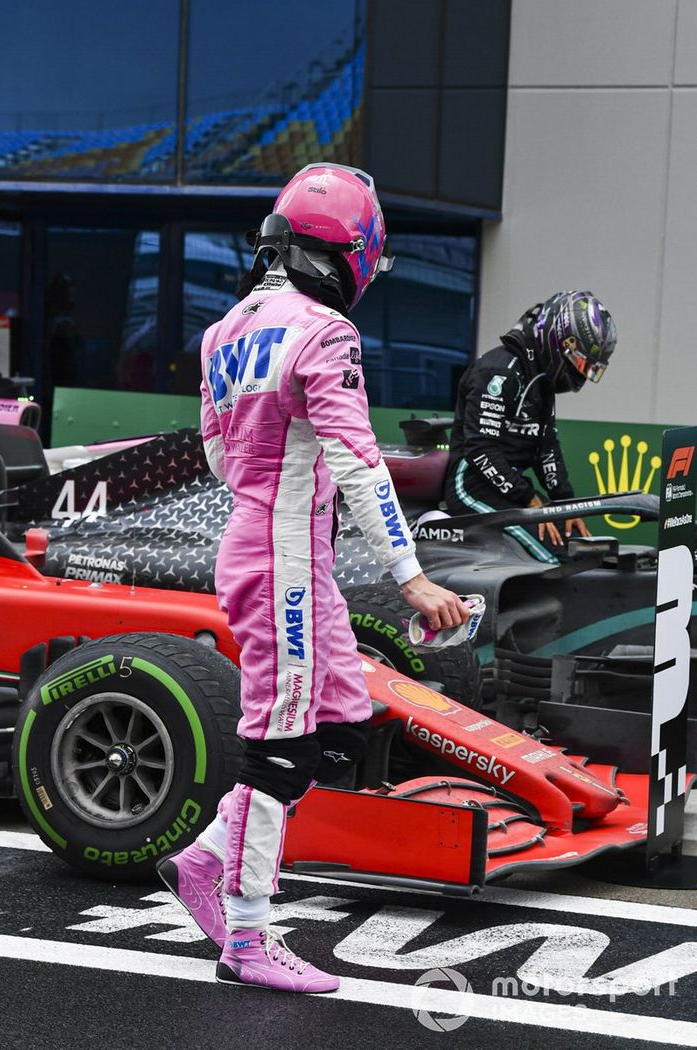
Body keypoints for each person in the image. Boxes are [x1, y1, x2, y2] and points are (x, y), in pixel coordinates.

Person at [158, 163, 469, 993]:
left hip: (267, 545)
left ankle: (205, 861)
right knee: (281, 744)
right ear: (348, 255)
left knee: (338, 719)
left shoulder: (224, 330)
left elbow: (221, 454)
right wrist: (411, 578)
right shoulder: (327, 333)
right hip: (289, 558)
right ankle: (250, 936)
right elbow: (359, 460)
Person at [443, 291, 617, 562]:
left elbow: (546, 449)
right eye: (581, 362)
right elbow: (480, 449)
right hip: (471, 486)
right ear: (560, 340)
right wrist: (530, 499)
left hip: (513, 490)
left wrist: (566, 506)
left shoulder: (540, 379)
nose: (581, 374)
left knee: (578, 550)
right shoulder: (499, 371)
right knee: (549, 559)